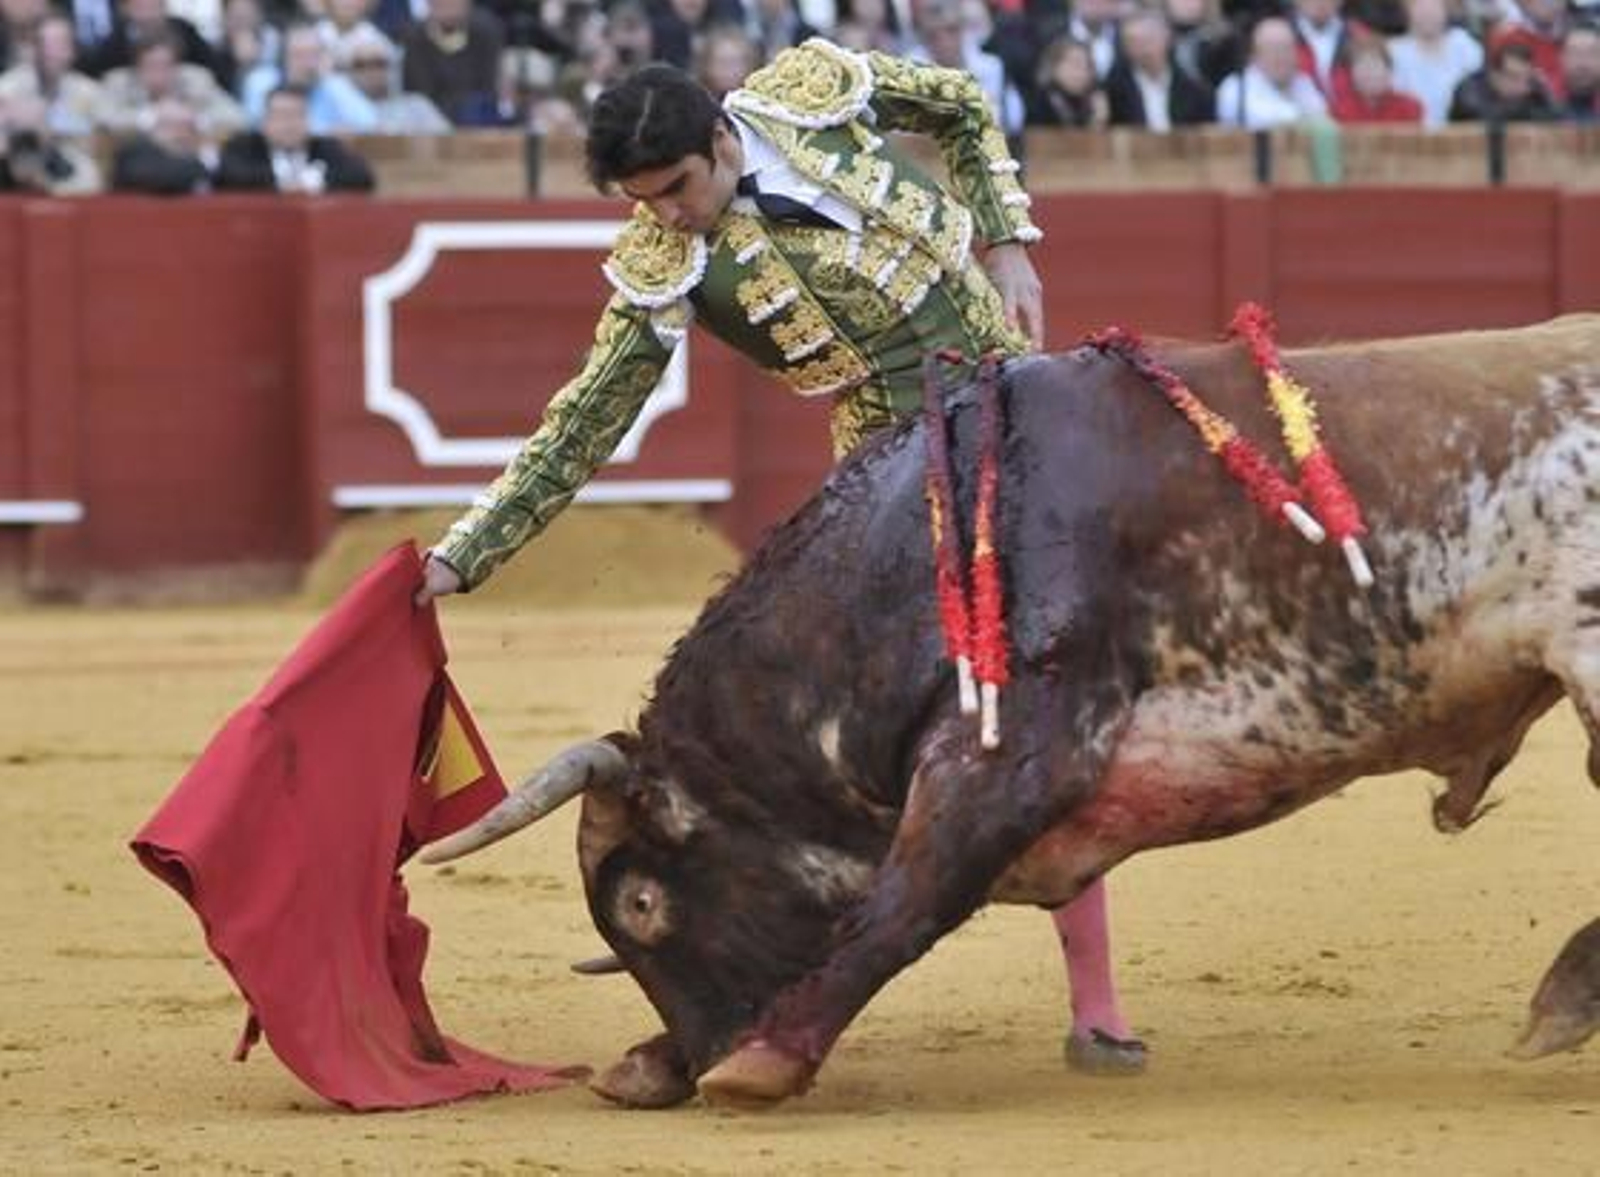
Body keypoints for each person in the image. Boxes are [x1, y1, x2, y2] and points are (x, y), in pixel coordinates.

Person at [413, 40, 1146, 1076]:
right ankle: (743, 958)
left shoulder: (811, 93)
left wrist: (1007, 240)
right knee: (906, 724)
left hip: (1025, 410)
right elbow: (583, 423)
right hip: (892, 485)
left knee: (1045, 696)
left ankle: (1097, 1006)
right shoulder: (667, 266)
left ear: (722, 136)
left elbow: (959, 105)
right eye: (642, 198)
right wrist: (464, 553)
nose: (666, 214)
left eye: (676, 188)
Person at [214, 82, 376, 190]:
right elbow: (227, 176)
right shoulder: (243, 146)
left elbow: (361, 176)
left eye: (297, 115)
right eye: (282, 115)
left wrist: (315, 180)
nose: (289, 124)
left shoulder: (325, 147)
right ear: (265, 121)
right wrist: (280, 181)